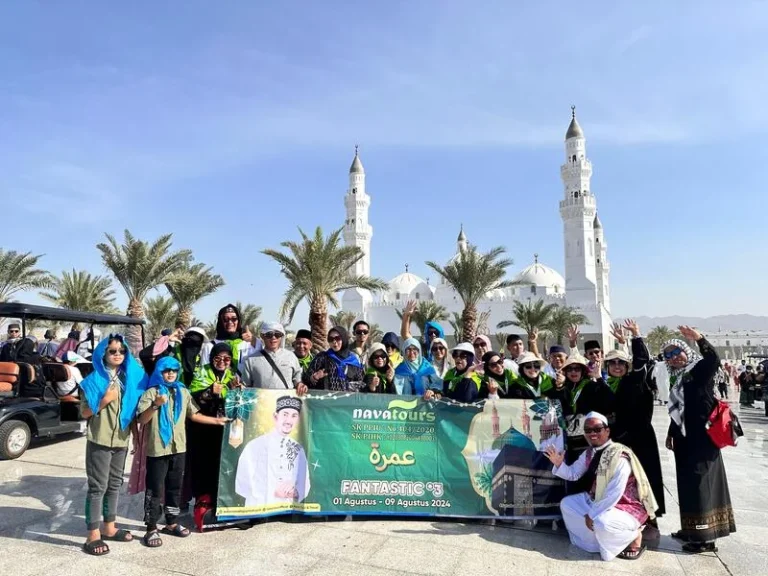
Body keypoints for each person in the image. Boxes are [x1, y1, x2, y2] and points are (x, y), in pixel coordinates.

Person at [135, 357, 228, 547]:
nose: (170, 374)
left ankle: (171, 522)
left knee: (174, 487)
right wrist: (155, 405)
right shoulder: (151, 393)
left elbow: (193, 414)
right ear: (159, 372)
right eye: (166, 370)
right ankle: (151, 527)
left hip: (179, 447)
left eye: (174, 370)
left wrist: (217, 421)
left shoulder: (182, 392)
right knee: (155, 488)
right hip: (158, 449)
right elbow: (142, 420)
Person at [545, 412, 658, 561]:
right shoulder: (590, 453)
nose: (592, 433)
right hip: (598, 500)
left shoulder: (619, 456)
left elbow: (614, 493)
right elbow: (573, 474)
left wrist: (592, 514)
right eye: (588, 430)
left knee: (601, 522)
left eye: (597, 429)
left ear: (607, 431)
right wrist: (559, 463)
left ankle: (634, 534)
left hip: (625, 507)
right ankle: (595, 544)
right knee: (568, 504)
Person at [665, 326, 735, 553]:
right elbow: (679, 410)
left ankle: (704, 537)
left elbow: (713, 358)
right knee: (687, 483)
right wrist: (671, 433)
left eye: (677, 352)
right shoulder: (677, 377)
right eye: (668, 355)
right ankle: (691, 529)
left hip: (703, 439)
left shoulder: (699, 369)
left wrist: (699, 338)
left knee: (700, 483)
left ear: (687, 350)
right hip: (685, 439)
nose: (674, 358)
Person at [79, 335, 147, 556]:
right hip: (99, 439)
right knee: (98, 486)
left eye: (121, 351)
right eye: (112, 351)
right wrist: (104, 401)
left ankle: (109, 526)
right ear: (103, 354)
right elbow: (84, 412)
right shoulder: (93, 380)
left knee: (115, 484)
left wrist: (135, 437)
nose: (117, 354)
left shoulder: (129, 380)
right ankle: (92, 534)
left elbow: (133, 413)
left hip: (121, 439)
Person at [604, 320, 665, 521]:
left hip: (639, 438)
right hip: (617, 439)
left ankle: (648, 519)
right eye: (612, 363)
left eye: (621, 362)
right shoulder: (606, 384)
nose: (617, 366)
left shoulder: (635, 380)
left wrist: (636, 336)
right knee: (620, 480)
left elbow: (641, 361)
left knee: (643, 478)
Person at [187, 342, 243, 530]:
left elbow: (239, 402)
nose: (222, 362)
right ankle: (202, 506)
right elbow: (192, 399)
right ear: (211, 359)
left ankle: (221, 504)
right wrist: (210, 391)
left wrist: (237, 390)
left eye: (226, 359)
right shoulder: (201, 372)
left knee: (222, 465)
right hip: (203, 430)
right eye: (218, 358)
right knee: (203, 466)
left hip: (224, 431)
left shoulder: (233, 376)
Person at [235, 395, 310, 507]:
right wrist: (272, 491)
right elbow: (241, 484)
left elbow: (305, 481)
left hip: (286, 511)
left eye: (294, 416)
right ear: (275, 417)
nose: (289, 421)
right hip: (258, 509)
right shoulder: (254, 446)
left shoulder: (298, 449)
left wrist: (296, 491)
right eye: (285, 415)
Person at [241, 322, 307, 394]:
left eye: (277, 334)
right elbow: (245, 386)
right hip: (262, 403)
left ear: (282, 336)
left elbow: (297, 379)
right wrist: (238, 386)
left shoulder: (291, 357)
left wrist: (300, 384)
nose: (273, 337)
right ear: (262, 336)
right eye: (269, 334)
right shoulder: (250, 360)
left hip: (285, 402)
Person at [304, 327, 364, 391]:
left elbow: (361, 383)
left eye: (337, 338)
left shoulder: (353, 360)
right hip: (327, 399)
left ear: (344, 339)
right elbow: (306, 379)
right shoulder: (322, 357)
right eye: (331, 339)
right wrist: (314, 377)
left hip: (348, 399)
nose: (334, 342)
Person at [200, 304, 255, 372]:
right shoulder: (210, 346)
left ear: (239, 321)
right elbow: (203, 373)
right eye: (226, 319)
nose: (230, 322)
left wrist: (253, 340)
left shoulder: (247, 344)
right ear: (220, 321)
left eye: (234, 319)